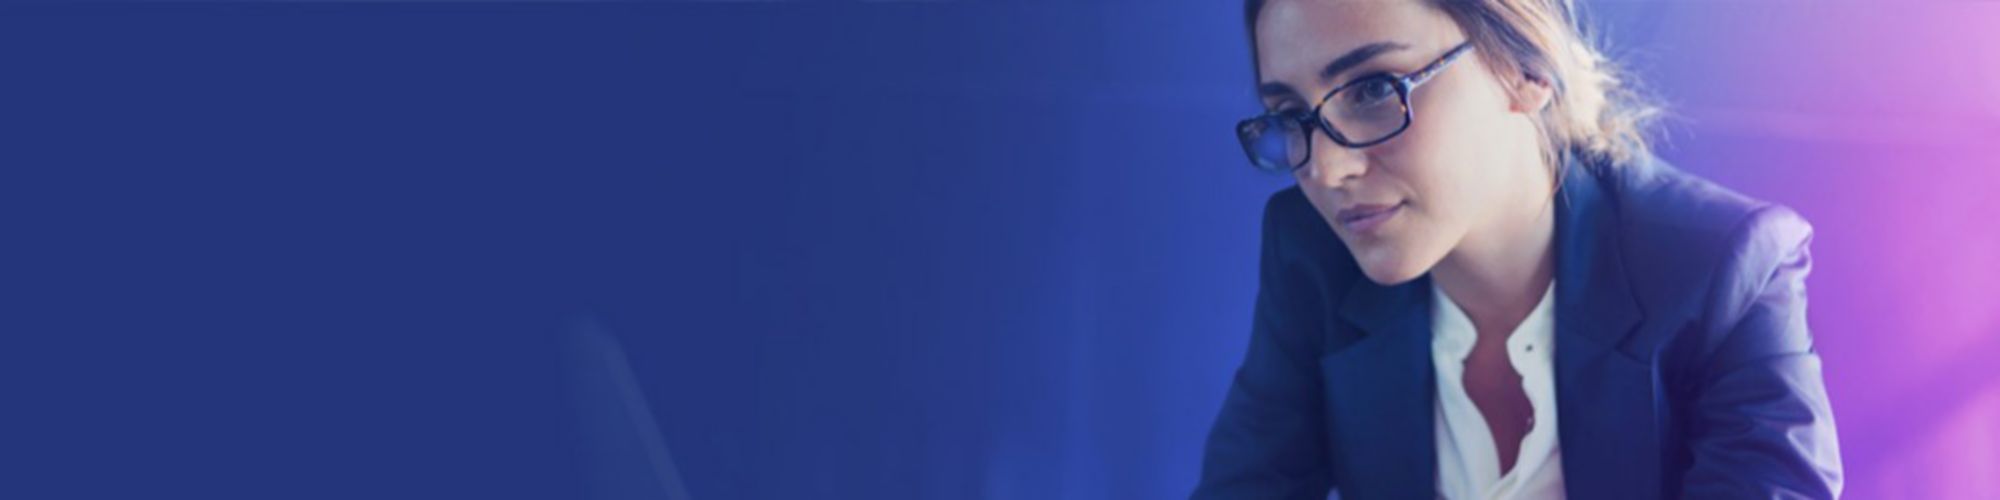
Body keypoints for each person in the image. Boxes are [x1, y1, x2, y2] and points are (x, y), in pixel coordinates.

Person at [1192, 1, 1843, 498]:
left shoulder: (1725, 266)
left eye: (1373, 90)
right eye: (1291, 115)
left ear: (1526, 68)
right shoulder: (1312, 256)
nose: (1327, 171)